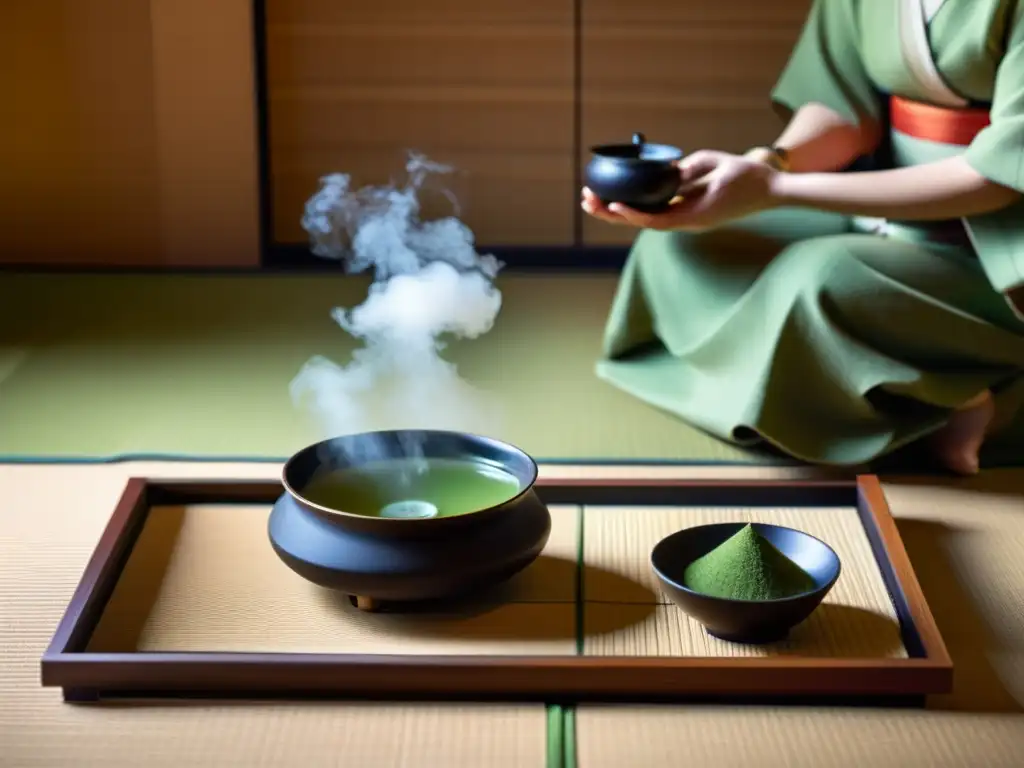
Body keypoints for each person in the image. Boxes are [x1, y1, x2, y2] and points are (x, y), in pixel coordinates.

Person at [582, 0, 1024, 475]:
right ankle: (920, 395)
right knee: (681, 244)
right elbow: (842, 110)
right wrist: (767, 164)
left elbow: (997, 175)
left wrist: (777, 190)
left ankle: (963, 396)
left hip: (1000, 243)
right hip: (882, 203)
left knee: (823, 281)